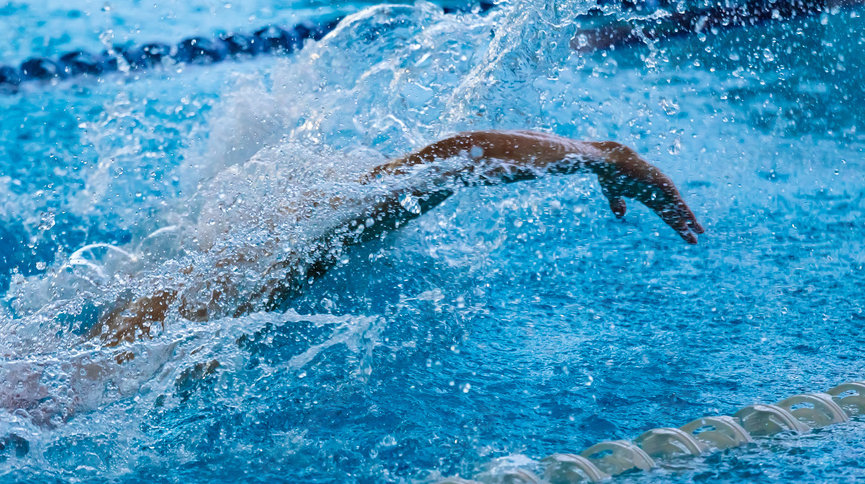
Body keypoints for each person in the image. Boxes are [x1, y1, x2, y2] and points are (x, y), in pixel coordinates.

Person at [89, 130, 704, 349]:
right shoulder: (66, 380)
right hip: (244, 263)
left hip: (263, 258)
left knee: (430, 174)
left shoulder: (271, 264)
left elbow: (462, 153)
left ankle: (600, 154)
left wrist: (597, 159)